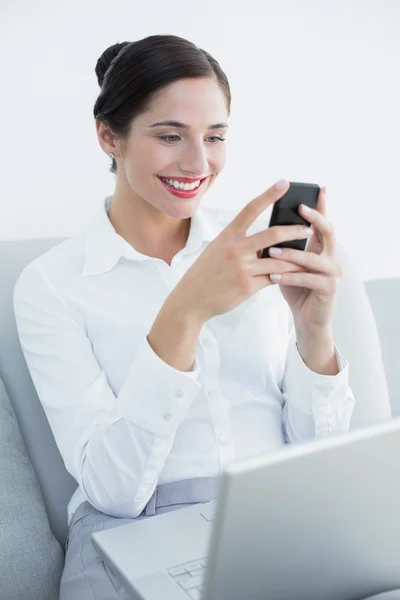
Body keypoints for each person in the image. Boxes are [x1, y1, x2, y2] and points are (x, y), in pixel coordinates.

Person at [13, 34, 356, 600]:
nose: (198, 163)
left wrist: (313, 331)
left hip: (274, 518)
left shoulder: (253, 245)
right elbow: (115, 491)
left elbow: (318, 459)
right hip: (133, 529)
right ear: (109, 136)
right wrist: (187, 310)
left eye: (214, 137)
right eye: (170, 136)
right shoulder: (53, 285)